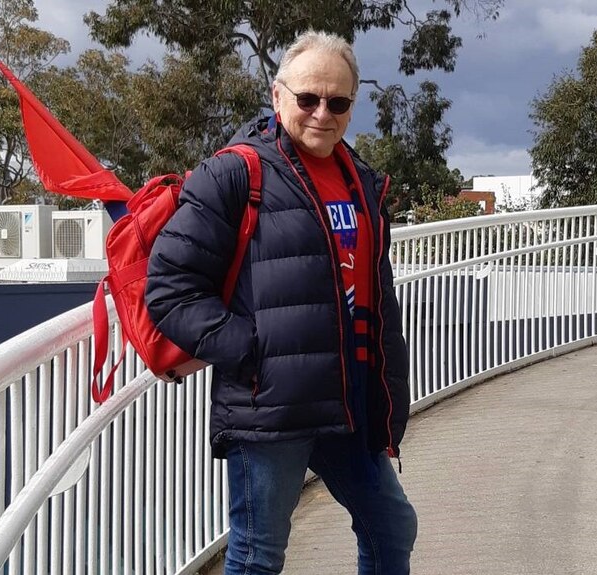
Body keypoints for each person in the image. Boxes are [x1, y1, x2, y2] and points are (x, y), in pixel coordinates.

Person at [145, 30, 417, 575]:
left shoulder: (362, 182)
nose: (322, 113)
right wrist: (253, 349)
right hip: (270, 405)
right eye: (308, 98)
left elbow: (374, 292)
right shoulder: (234, 173)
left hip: (347, 398)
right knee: (257, 555)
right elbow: (170, 286)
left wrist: (388, 388)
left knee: (391, 526)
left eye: (338, 102)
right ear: (277, 96)